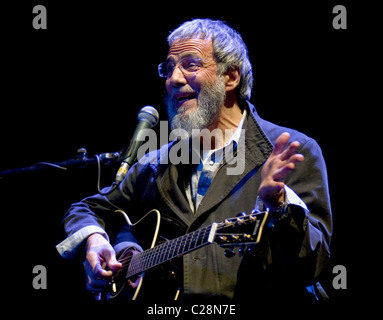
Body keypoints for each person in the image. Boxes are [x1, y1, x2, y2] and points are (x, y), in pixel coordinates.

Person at [56, 19, 332, 305]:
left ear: (231, 77)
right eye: (169, 67)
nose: (174, 79)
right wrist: (96, 240)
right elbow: (87, 208)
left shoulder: (290, 151)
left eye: (190, 64)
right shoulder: (157, 163)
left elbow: (311, 265)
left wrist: (279, 206)